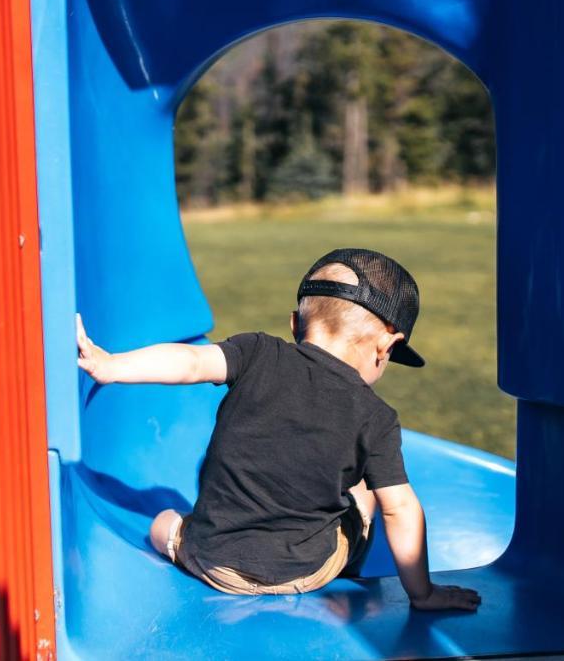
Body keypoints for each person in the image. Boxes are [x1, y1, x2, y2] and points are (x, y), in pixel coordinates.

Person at [75, 248, 481, 611]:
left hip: (213, 563)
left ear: (294, 324)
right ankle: (350, 570)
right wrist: (423, 594)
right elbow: (402, 508)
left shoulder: (256, 352)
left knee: (163, 521)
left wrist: (113, 366)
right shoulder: (376, 417)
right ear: (386, 347)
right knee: (365, 496)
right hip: (305, 573)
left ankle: (182, 536)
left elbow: (192, 362)